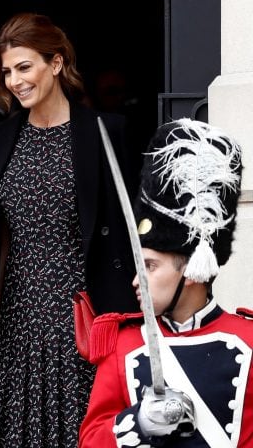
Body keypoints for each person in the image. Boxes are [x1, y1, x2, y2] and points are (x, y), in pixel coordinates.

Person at [0, 12, 139, 447]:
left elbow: (129, 239)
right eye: (7, 71)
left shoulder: (106, 132)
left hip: (86, 324)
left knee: (85, 434)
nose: (14, 81)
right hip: (15, 324)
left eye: (24, 67)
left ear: (55, 63)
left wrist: (131, 329)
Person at [79, 118, 252, 447]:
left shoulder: (248, 341)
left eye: (150, 266)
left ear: (190, 270)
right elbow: (91, 440)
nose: (135, 281)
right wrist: (138, 422)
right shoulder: (123, 346)